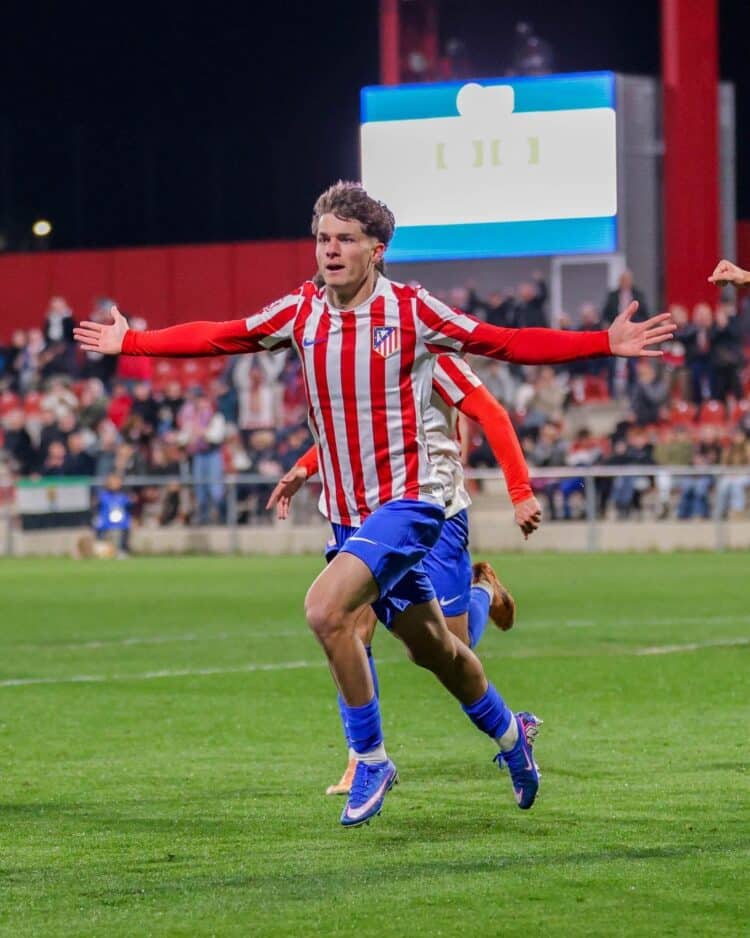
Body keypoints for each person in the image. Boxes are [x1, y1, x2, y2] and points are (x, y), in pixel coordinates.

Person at [75, 181, 674, 827]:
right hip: (349, 511)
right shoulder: (302, 312)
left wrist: (599, 343)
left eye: (346, 240)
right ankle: (511, 737)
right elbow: (222, 335)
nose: (330, 251)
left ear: (377, 250)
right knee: (436, 651)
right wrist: (132, 343)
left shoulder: (413, 312)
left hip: (411, 503)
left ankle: (370, 758)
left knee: (326, 611)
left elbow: (503, 340)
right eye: (323, 239)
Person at [267, 351, 539, 795]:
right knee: (348, 623)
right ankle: (362, 758)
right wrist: (305, 466)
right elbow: (353, 433)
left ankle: (483, 590)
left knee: (446, 650)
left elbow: (491, 413)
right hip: (375, 515)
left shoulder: (435, 361)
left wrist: (520, 492)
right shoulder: (369, 361)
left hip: (437, 514)